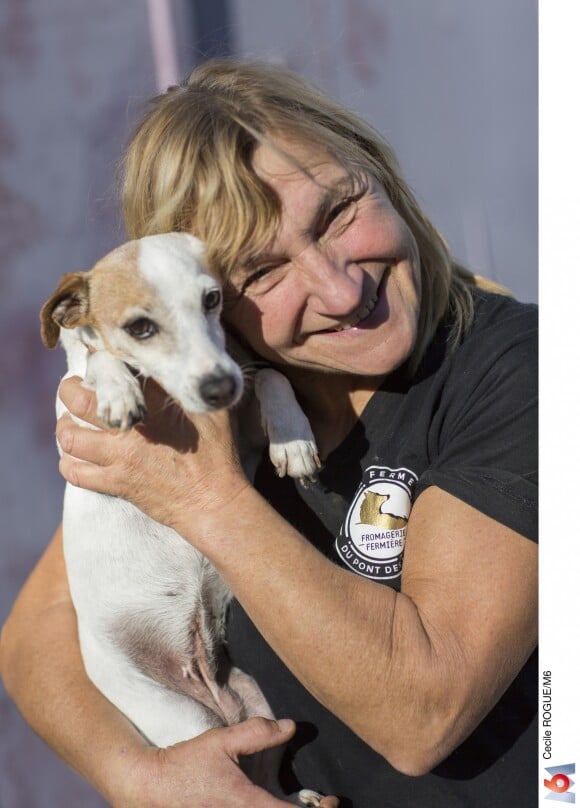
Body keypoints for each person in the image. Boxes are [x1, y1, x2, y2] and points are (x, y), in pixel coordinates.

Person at [0, 59, 538, 808]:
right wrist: (141, 776)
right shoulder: (183, 411)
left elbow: (425, 713)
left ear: (379, 170)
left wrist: (209, 503)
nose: (340, 287)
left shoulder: (521, 373)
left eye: (340, 211)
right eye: (262, 272)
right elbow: (35, 638)